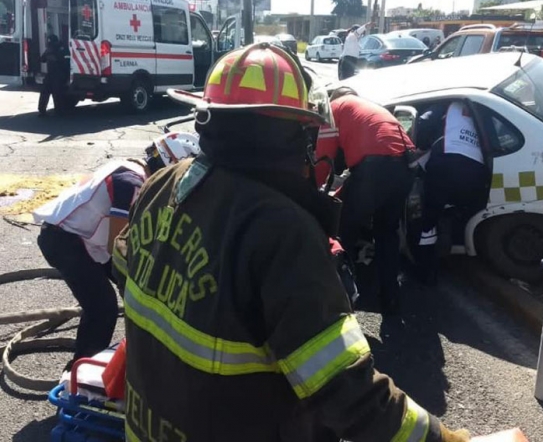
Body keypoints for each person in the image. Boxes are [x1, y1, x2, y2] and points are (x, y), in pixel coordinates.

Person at [112, 43, 470, 442]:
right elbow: (348, 392)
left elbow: (124, 270)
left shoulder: (163, 184)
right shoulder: (283, 231)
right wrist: (440, 438)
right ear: (293, 134)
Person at [34, 132, 200, 373]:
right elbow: (118, 246)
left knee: (136, 290)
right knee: (102, 307)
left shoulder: (129, 168)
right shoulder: (132, 184)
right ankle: (79, 374)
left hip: (78, 237)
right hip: (66, 241)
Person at [315, 86, 416, 316]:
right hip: (406, 167)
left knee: (342, 232)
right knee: (386, 232)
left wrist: (312, 191)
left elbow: (323, 161)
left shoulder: (333, 109)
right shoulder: (372, 108)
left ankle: (341, 300)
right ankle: (390, 298)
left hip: (374, 168)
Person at [417, 101, 489, 285]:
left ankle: (426, 273)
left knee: (428, 222)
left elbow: (424, 122)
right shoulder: (480, 106)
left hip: (445, 164)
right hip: (477, 171)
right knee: (457, 206)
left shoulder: (445, 103)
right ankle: (450, 221)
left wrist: (422, 144)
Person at [38, 34, 70, 117]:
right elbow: (43, 59)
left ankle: (56, 110)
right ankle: (48, 110)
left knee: (54, 93)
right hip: (54, 74)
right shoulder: (54, 49)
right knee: (51, 93)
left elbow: (65, 62)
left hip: (58, 74)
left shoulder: (60, 49)